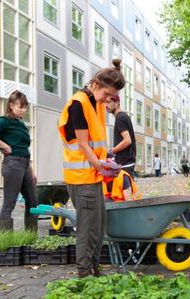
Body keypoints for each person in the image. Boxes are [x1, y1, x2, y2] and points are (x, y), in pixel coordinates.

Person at [58, 59, 125, 278]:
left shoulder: (95, 103)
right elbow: (83, 144)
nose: (108, 100)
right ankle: (84, 274)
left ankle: (95, 269)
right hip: (81, 177)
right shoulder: (79, 103)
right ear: (96, 83)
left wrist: (105, 164)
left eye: (111, 97)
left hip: (93, 175)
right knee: (87, 228)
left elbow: (96, 143)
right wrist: (99, 164)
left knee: (99, 224)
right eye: (107, 94)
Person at [0, 90, 38, 233]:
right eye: (20, 106)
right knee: (9, 204)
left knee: (33, 202)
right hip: (13, 164)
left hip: (25, 164)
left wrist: (32, 170)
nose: (23, 110)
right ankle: (8, 242)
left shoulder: (20, 124)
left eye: (25, 107)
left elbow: (24, 148)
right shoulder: (4, 121)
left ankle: (31, 238)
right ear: (11, 105)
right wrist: (4, 145)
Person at [105, 94, 136, 177]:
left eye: (108, 102)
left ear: (117, 102)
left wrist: (112, 151)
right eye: (105, 103)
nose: (106, 105)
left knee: (125, 189)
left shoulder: (120, 118)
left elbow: (127, 140)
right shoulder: (123, 116)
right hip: (126, 162)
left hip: (125, 164)